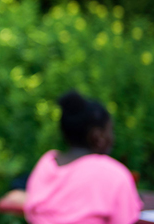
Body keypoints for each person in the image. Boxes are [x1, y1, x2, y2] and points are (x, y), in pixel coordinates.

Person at [23, 90, 143, 224]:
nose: (113, 138)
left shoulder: (46, 164)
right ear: (97, 136)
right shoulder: (114, 175)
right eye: (110, 130)